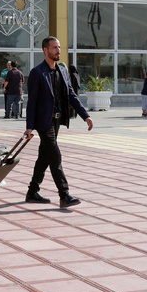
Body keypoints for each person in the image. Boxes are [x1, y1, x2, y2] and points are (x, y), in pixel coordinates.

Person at [23, 36, 93, 208]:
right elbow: (32, 102)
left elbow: (71, 96)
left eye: (59, 47)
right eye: (54, 48)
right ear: (45, 50)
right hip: (43, 122)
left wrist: (85, 115)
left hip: (57, 120)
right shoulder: (37, 72)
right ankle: (64, 194)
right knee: (55, 155)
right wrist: (29, 127)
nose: (58, 50)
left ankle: (32, 191)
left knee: (44, 157)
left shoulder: (62, 71)